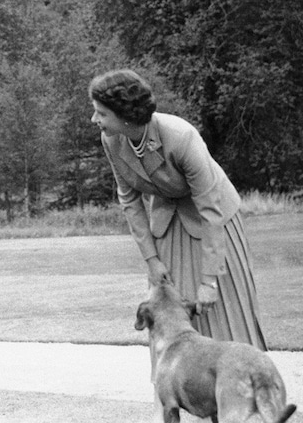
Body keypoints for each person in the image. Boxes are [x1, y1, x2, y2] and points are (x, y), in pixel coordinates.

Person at [89, 69, 266, 419]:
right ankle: (172, 403)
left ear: (126, 116)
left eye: (101, 113)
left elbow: (211, 208)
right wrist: (151, 259)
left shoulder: (181, 136)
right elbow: (129, 201)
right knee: (169, 314)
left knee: (223, 315)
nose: (94, 119)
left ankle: (246, 405)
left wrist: (209, 280)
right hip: (167, 224)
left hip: (214, 223)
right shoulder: (112, 140)